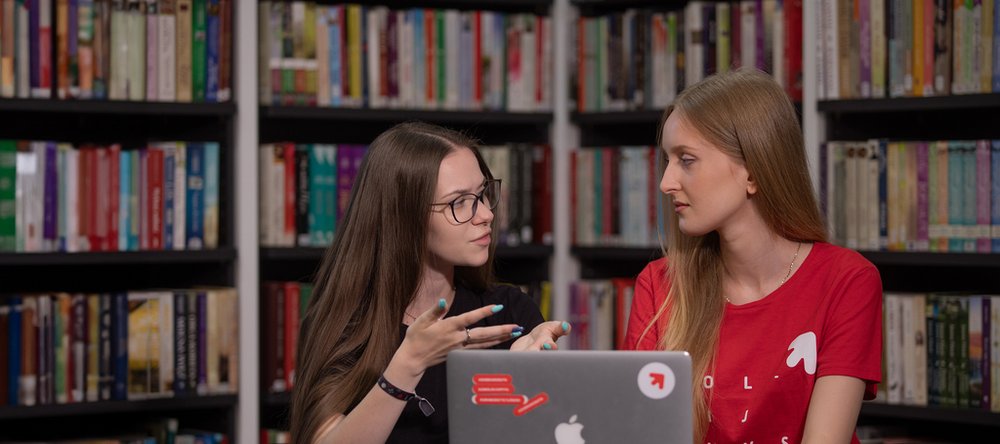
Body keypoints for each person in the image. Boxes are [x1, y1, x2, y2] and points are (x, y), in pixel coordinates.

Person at [623, 69, 882, 444]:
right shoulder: (659, 284)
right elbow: (643, 432)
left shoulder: (847, 281)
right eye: (667, 159)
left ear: (753, 172)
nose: (666, 183)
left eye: (687, 160)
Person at [290, 122, 570, 444]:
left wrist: (523, 379)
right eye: (460, 202)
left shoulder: (510, 314)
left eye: (482, 194)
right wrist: (407, 365)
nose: (485, 214)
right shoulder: (345, 324)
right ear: (404, 216)